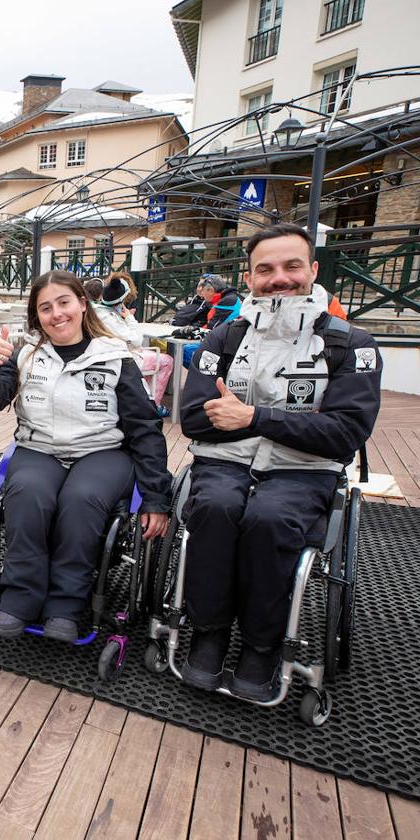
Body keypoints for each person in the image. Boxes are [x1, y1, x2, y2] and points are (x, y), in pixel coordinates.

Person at [178, 223, 382, 701]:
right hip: (223, 463)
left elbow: (345, 435)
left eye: (292, 266)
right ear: (249, 278)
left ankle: (261, 643)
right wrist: (297, 421)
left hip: (303, 470)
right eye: (265, 269)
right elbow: (193, 419)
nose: (279, 278)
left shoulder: (352, 345)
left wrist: (251, 416)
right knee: (215, 510)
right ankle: (209, 631)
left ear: (312, 270)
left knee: (269, 520)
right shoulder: (222, 339)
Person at [0, 270, 171, 642]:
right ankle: (20, 596)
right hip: (40, 447)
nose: (56, 314)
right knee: (29, 494)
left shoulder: (115, 357)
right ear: (37, 315)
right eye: (45, 308)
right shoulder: (27, 356)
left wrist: (157, 497)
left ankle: (65, 604)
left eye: (64, 303)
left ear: (82, 303)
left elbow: (144, 428)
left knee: (81, 499)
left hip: (102, 451)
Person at [93, 272, 174, 413]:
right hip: (122, 360)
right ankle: (152, 406)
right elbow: (137, 340)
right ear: (121, 300)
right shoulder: (109, 318)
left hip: (107, 355)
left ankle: (142, 397)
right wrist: (130, 318)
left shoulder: (97, 312)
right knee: (166, 360)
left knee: (151, 357)